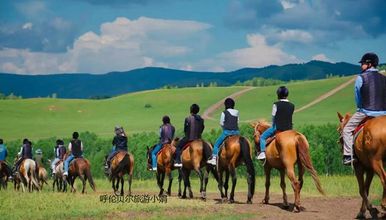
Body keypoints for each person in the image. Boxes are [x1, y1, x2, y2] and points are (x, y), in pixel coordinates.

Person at [342, 52, 386, 165]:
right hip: (383, 113)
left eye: (363, 63)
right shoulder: (384, 78)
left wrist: (361, 107)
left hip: (366, 111)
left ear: (369, 64)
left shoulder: (361, 78)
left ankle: (348, 156)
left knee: (346, 130)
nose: (361, 66)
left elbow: (358, 97)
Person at [257, 86, 295, 160]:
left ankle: (262, 153)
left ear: (278, 94)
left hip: (278, 127)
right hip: (289, 129)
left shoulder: (276, 104)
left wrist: (273, 125)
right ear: (287, 94)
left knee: (262, 137)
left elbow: (273, 117)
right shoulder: (292, 105)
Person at [207, 98, 240, 165]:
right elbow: (238, 122)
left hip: (227, 132)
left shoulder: (224, 112)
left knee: (216, 144)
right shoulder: (237, 112)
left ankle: (214, 159)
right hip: (236, 133)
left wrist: (224, 128)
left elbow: (221, 123)